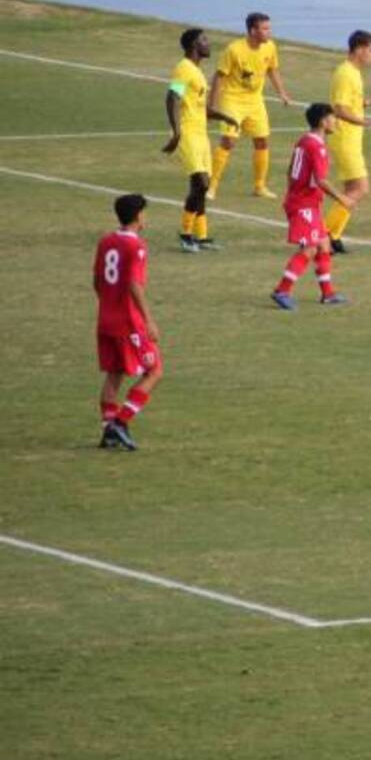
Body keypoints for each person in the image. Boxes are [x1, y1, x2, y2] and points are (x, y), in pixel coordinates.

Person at [94, 193, 161, 451]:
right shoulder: (137, 246)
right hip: (129, 323)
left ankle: (107, 431)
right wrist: (149, 320)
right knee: (154, 371)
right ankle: (120, 423)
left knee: (114, 375)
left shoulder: (106, 242)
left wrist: (109, 304)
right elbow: (134, 284)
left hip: (105, 320)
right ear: (138, 216)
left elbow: (97, 282)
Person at [161, 28, 236, 253]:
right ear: (194, 44)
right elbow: (171, 98)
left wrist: (224, 116)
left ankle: (201, 236)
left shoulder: (197, 72)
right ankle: (185, 234)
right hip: (187, 133)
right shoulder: (183, 69)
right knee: (201, 182)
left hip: (201, 133)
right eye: (204, 40)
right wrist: (176, 132)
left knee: (202, 187)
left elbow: (200, 108)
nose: (208, 44)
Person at [207, 11, 294, 201]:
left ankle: (259, 186)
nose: (269, 32)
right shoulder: (234, 50)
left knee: (262, 141)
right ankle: (211, 186)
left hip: (255, 101)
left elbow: (272, 70)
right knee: (228, 141)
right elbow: (219, 76)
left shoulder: (270, 47)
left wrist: (282, 92)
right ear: (253, 31)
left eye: (269, 28)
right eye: (265, 28)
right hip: (233, 100)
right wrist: (212, 105)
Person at [271, 104, 350, 310]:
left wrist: (295, 193)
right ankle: (282, 290)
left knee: (324, 245)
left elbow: (290, 171)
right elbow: (321, 180)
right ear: (323, 121)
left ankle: (328, 294)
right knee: (310, 248)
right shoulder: (318, 147)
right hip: (304, 205)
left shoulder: (304, 141)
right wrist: (342, 198)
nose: (335, 122)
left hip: (304, 202)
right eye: (333, 118)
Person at [324, 29, 371, 254]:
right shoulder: (345, 73)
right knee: (361, 188)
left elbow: (349, 103)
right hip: (344, 138)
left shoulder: (354, 72)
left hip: (351, 138)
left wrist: (367, 103)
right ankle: (322, 235)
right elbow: (338, 108)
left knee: (351, 189)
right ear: (358, 49)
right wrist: (363, 122)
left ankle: (334, 236)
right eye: (370, 50)